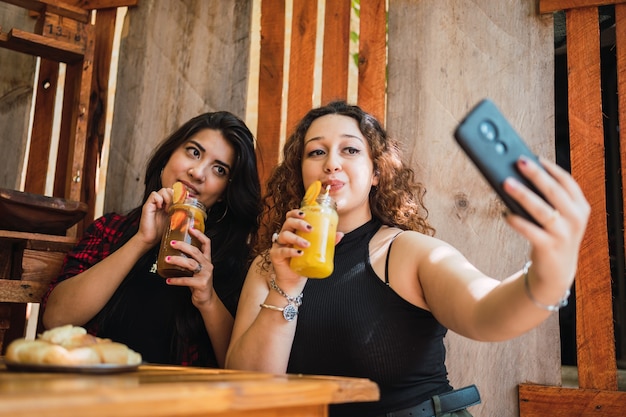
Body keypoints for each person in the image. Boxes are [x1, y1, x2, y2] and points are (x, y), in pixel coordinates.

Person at [225, 101, 590, 416]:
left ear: (376, 173)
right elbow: (248, 388)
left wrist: (548, 275)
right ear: (301, 173)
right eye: (316, 152)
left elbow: (486, 312)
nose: (331, 163)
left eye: (350, 150)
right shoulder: (269, 266)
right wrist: (285, 288)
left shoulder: (405, 251)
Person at [42, 111, 262, 368]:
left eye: (219, 169)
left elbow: (241, 367)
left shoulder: (236, 261)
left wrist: (208, 298)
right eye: (193, 152)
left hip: (180, 403)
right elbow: (56, 319)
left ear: (225, 192)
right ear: (170, 154)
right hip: (95, 394)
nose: (198, 172)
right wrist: (142, 241)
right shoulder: (110, 230)